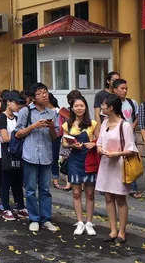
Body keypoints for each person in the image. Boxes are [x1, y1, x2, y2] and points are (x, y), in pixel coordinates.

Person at [15, 82, 59, 232]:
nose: (44, 95)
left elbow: (54, 137)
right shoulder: (25, 112)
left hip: (46, 155)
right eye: (40, 93)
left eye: (45, 92)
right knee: (31, 189)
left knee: (45, 189)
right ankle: (34, 218)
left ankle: (46, 219)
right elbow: (18, 133)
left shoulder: (52, 113)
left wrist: (52, 127)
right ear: (33, 98)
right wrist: (34, 126)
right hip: (30, 155)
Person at [96, 94, 138, 244]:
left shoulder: (124, 125)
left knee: (120, 198)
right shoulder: (104, 123)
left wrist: (117, 154)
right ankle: (112, 229)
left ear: (111, 108)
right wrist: (100, 149)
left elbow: (131, 149)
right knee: (108, 197)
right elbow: (99, 141)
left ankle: (122, 231)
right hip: (106, 164)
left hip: (119, 164)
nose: (101, 107)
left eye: (104, 105)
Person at [61, 96, 99, 236]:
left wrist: (93, 144)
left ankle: (89, 222)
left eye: (82, 105)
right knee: (76, 193)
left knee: (90, 193)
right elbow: (64, 143)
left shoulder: (93, 123)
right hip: (74, 161)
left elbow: (99, 140)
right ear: (71, 108)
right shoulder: (67, 125)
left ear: (85, 107)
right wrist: (72, 144)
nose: (79, 108)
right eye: (76, 106)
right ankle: (79, 222)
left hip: (89, 160)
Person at [0, 91, 27, 220]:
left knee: (18, 181)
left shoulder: (17, 117)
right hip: (6, 153)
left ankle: (20, 206)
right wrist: (17, 137)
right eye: (15, 102)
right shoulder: (2, 117)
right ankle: (5, 207)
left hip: (18, 152)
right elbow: (5, 137)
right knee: (6, 181)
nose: (17, 105)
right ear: (8, 103)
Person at [112, 78, 141, 198]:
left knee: (131, 160)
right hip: (117, 137)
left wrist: (132, 127)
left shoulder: (132, 102)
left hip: (130, 137)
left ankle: (132, 187)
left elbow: (137, 116)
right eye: (122, 88)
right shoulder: (112, 103)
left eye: (126, 88)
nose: (124, 91)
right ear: (114, 90)